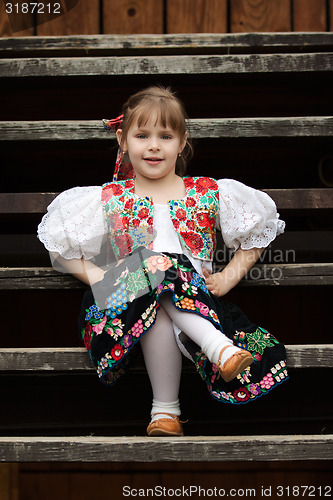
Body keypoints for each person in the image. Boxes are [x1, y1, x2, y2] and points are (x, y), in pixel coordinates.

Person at [37, 86, 288, 437]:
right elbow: (59, 249)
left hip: (193, 304)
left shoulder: (206, 192)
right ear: (123, 140)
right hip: (123, 304)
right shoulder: (110, 197)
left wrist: (229, 276)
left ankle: (165, 412)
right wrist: (99, 279)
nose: (153, 145)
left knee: (159, 296)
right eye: (142, 135)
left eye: (165, 135)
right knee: (155, 270)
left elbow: (256, 234)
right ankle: (220, 348)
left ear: (182, 142)